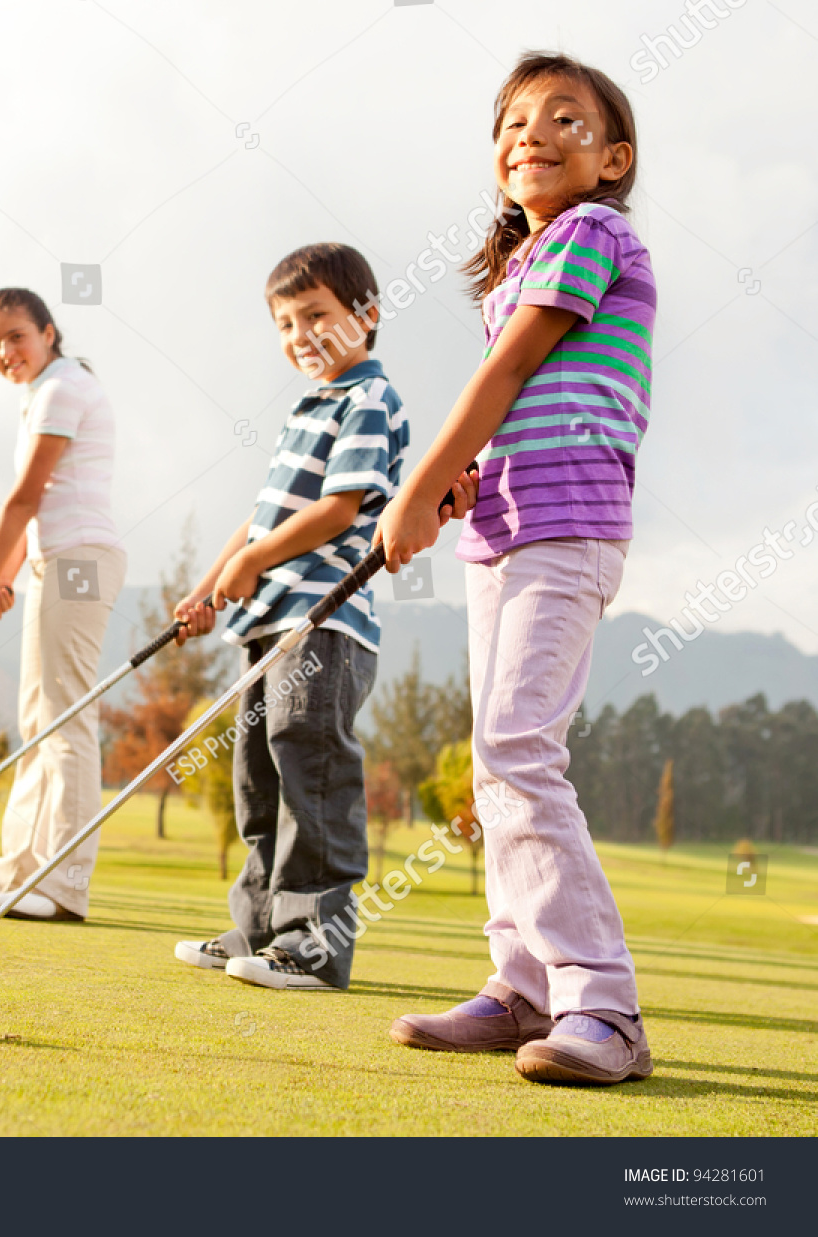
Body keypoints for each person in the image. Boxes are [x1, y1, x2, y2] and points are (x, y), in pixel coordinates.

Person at [379, 53, 654, 1085]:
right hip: (502, 531)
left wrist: (420, 484)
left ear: (610, 159)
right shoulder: (516, 269)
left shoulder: (593, 232)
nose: (530, 133)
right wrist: (466, 481)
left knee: (517, 746)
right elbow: (514, 406)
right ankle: (522, 986)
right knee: (496, 763)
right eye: (513, 122)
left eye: (564, 120)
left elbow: (508, 371)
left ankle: (603, 1004)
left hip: (569, 530)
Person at [171, 243, 474, 991]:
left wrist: (254, 561)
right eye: (285, 323)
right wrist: (212, 585)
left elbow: (340, 510)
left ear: (366, 316)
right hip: (270, 620)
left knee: (312, 768)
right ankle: (260, 925)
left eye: (316, 316)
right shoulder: (306, 407)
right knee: (259, 774)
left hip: (325, 622)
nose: (300, 334)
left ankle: (313, 944)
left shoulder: (371, 401)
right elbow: (259, 517)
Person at [0, 288, 125, 922]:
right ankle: (17, 868)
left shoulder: (62, 387)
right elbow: (33, 512)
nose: (4, 351)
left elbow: (23, 498)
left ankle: (64, 883)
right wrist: (2, 583)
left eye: (15, 336)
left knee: (64, 714)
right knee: (37, 718)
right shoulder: (42, 392)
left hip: (79, 563)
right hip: (53, 560)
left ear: (47, 332)